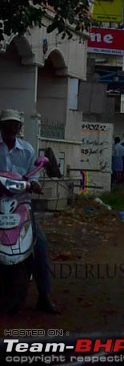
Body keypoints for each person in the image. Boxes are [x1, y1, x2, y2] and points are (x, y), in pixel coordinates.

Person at [0, 109, 60, 314]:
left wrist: (34, 184)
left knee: (40, 244)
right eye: (6, 124)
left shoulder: (27, 150)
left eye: (14, 125)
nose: (10, 128)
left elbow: (33, 177)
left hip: (21, 205)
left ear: (19, 128)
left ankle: (44, 296)